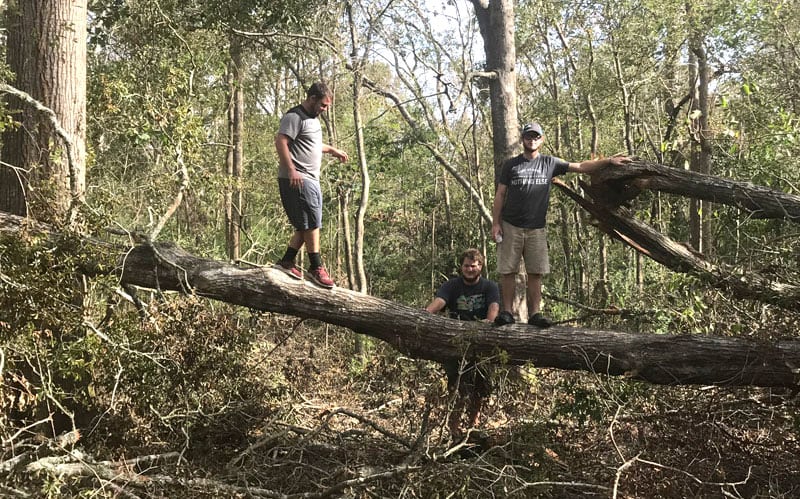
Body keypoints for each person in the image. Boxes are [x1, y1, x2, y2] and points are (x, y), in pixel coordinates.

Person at [491, 122, 630, 327]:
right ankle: (507, 313)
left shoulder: (549, 163)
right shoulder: (511, 165)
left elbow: (581, 167)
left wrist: (609, 161)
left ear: (542, 139)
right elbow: (500, 194)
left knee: (535, 271)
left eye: (536, 137)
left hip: (536, 226)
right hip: (511, 224)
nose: (532, 140)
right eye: (528, 137)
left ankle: (535, 314)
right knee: (508, 270)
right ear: (522, 139)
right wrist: (496, 223)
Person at [273, 82, 349, 288]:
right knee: (313, 223)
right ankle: (316, 267)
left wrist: (333, 150)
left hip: (310, 178)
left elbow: (312, 144)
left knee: (305, 223)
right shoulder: (294, 116)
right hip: (299, 178)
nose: (325, 110)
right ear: (312, 98)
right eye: (323, 105)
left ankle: (287, 261)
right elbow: (281, 141)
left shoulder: (312, 121)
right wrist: (291, 170)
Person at [424, 248, 500, 440]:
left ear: (480, 267)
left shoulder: (489, 286)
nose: (470, 269)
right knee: (458, 386)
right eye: (466, 265)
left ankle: (472, 425)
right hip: (455, 343)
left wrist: (489, 321)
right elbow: (440, 302)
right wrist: (424, 315)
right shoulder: (451, 286)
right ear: (461, 267)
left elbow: (494, 306)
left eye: (473, 266)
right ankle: (454, 428)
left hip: (483, 342)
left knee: (481, 386)